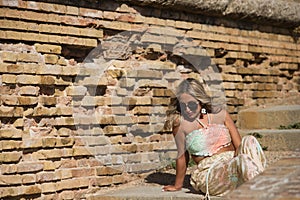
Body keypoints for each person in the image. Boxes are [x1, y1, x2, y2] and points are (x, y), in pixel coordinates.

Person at [162, 78, 266, 199]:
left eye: (191, 105)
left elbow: (239, 146)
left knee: (249, 140)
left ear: (201, 101)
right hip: (211, 173)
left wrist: (237, 162)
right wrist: (177, 185)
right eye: (183, 106)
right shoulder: (180, 124)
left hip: (235, 163)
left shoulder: (220, 114)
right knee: (243, 161)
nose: (187, 110)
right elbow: (182, 157)